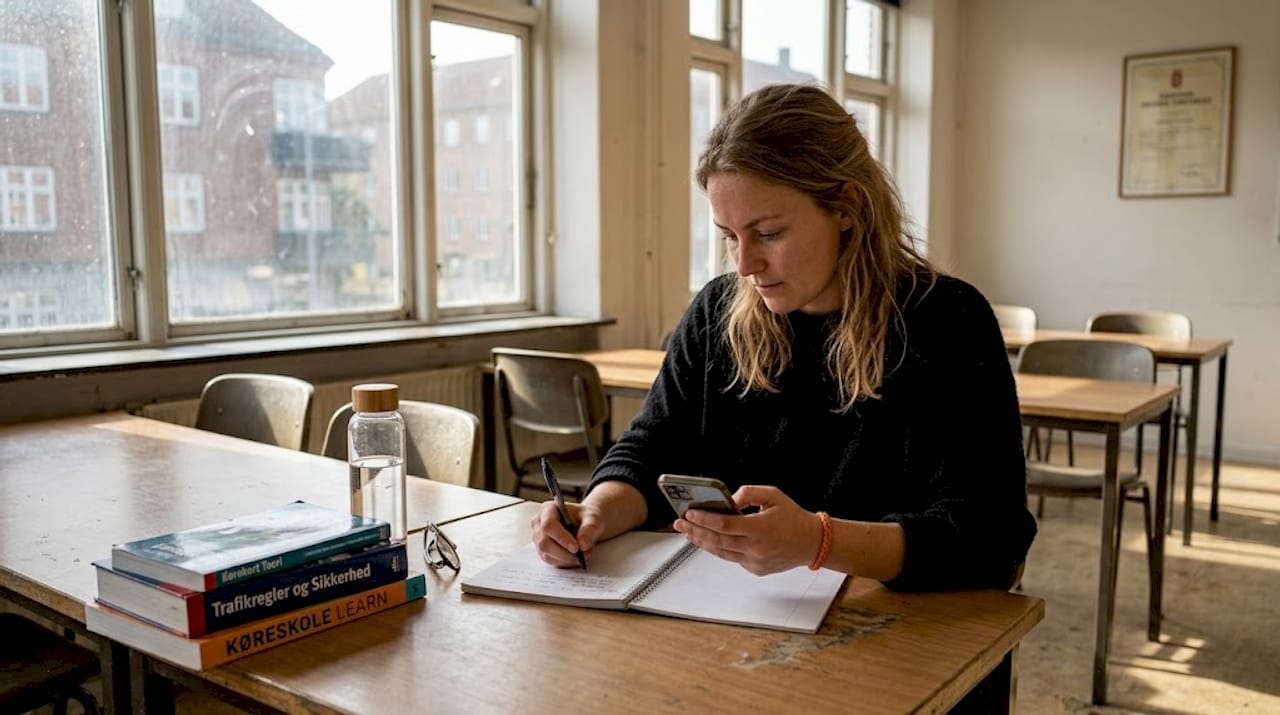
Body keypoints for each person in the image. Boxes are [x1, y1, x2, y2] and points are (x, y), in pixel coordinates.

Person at [532, 83, 1036, 591]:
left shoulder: (947, 321)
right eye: (730, 237)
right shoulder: (716, 312)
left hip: (902, 631)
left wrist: (819, 543)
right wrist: (596, 510)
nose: (746, 264)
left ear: (845, 208)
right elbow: (650, 449)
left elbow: (991, 537)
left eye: (768, 233)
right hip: (736, 618)